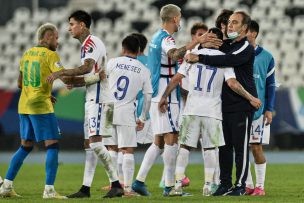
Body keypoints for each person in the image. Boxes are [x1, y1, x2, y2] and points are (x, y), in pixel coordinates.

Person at [160, 27, 261, 197]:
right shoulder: (224, 60)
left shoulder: (191, 56)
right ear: (219, 41)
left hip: (191, 109)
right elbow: (232, 84)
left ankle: (177, 185)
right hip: (212, 111)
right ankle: (208, 186)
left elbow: (177, 78)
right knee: (209, 148)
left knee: (184, 146)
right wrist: (251, 97)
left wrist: (164, 96)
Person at [131, 4, 211, 196]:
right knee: (171, 138)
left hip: (156, 88)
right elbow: (174, 55)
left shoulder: (156, 37)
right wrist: (195, 42)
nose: (180, 20)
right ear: (175, 18)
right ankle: (169, 187)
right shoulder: (167, 38)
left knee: (158, 141)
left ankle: (139, 181)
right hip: (165, 90)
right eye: (180, 17)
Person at [47, 10, 123, 198]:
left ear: (82, 25)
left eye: (72, 24)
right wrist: (76, 82)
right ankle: (85, 189)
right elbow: (94, 76)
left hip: (99, 100)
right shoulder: (87, 45)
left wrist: (60, 73)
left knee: (96, 145)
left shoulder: (91, 43)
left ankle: (116, 184)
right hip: (93, 97)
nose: (69, 28)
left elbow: (87, 67)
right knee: (89, 145)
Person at [186, 11, 259, 196]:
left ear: (244, 28)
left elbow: (228, 60)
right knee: (224, 148)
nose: (230, 26)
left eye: (235, 23)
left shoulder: (245, 47)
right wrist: (202, 44)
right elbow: (216, 49)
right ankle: (224, 184)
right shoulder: (226, 45)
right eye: (229, 23)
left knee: (240, 148)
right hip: (222, 105)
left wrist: (200, 57)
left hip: (242, 105)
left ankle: (241, 185)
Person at [0, 23, 66, 199]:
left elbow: (20, 83)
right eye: (56, 38)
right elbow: (63, 74)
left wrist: (39, 91)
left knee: (25, 146)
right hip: (40, 106)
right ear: (48, 37)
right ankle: (49, 190)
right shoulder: (51, 55)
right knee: (52, 145)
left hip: (24, 105)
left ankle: (6, 186)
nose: (58, 42)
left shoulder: (26, 54)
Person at [103, 34, 153, 196]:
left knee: (111, 148)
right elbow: (148, 96)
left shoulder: (111, 62)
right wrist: (143, 117)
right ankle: (127, 188)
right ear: (138, 50)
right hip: (126, 111)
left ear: (123, 48)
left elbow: (102, 82)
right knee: (127, 150)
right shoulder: (143, 70)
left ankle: (114, 185)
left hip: (108, 109)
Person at [245, 20, 276, 196]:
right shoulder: (237, 54)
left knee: (256, 147)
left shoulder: (267, 57)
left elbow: (270, 85)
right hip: (239, 110)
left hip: (257, 111)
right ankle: (248, 185)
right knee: (240, 149)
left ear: (254, 33)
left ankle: (260, 186)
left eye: (246, 31)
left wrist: (269, 109)